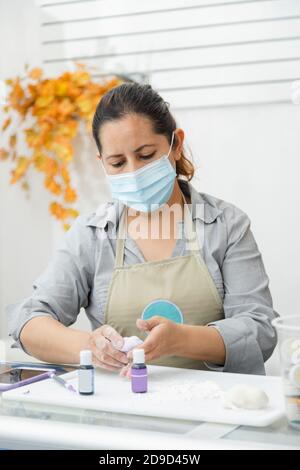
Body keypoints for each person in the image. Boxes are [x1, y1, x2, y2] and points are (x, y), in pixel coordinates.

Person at [6, 83, 278, 376]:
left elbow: (260, 330)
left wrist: (184, 340)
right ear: (102, 163)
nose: (133, 173)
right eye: (118, 162)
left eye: (146, 155)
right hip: (123, 411)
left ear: (176, 145)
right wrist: (91, 346)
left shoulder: (225, 225)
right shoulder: (93, 235)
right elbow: (28, 321)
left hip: (219, 409)